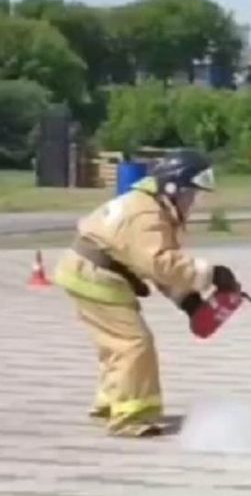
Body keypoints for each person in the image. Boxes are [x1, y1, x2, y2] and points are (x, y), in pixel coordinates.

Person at [53, 149, 239, 438]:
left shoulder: (151, 206)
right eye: (191, 194)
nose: (193, 202)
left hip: (85, 271)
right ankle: (131, 417)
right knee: (134, 344)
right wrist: (209, 274)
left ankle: (111, 404)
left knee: (116, 343)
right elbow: (159, 262)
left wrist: (188, 301)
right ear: (172, 187)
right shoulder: (146, 215)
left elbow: (155, 265)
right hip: (95, 276)